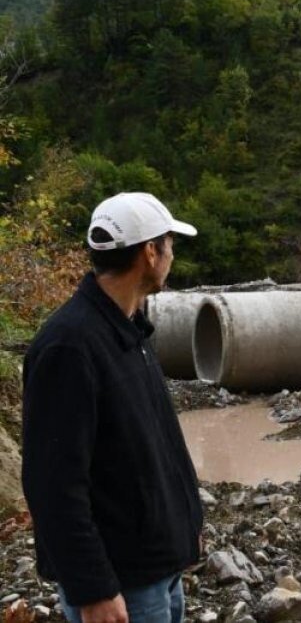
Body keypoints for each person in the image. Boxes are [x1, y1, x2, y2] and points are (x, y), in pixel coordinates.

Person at [22, 192, 203, 623]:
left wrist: (187, 527)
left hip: (157, 573)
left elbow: (152, 448)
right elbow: (52, 484)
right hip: (122, 587)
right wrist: (93, 589)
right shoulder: (71, 346)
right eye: (170, 244)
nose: (172, 255)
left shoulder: (128, 332)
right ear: (149, 252)